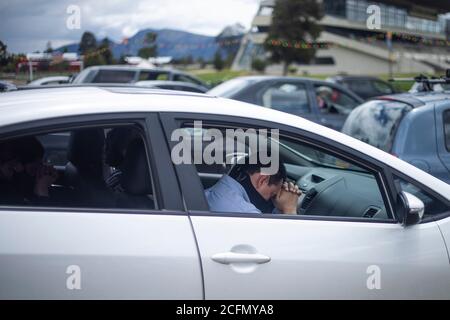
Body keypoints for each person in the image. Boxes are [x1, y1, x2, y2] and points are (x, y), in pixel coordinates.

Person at [205, 160, 301, 214]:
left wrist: (279, 209)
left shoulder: (216, 191)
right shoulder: (248, 214)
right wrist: (289, 209)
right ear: (262, 180)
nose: (273, 200)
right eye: (273, 195)